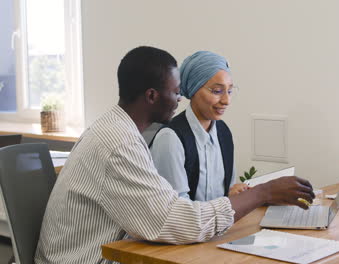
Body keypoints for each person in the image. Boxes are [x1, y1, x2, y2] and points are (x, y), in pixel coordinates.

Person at [34, 46, 315, 264]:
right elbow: (175, 221)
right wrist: (262, 193)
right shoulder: (119, 144)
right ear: (153, 96)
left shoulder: (119, 130)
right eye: (176, 93)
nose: (180, 100)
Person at [149, 51, 247, 201]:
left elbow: (226, 191)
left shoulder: (223, 132)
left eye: (230, 91)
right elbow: (177, 210)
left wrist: (233, 193)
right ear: (194, 89)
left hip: (221, 224)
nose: (226, 100)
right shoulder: (170, 138)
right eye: (217, 91)